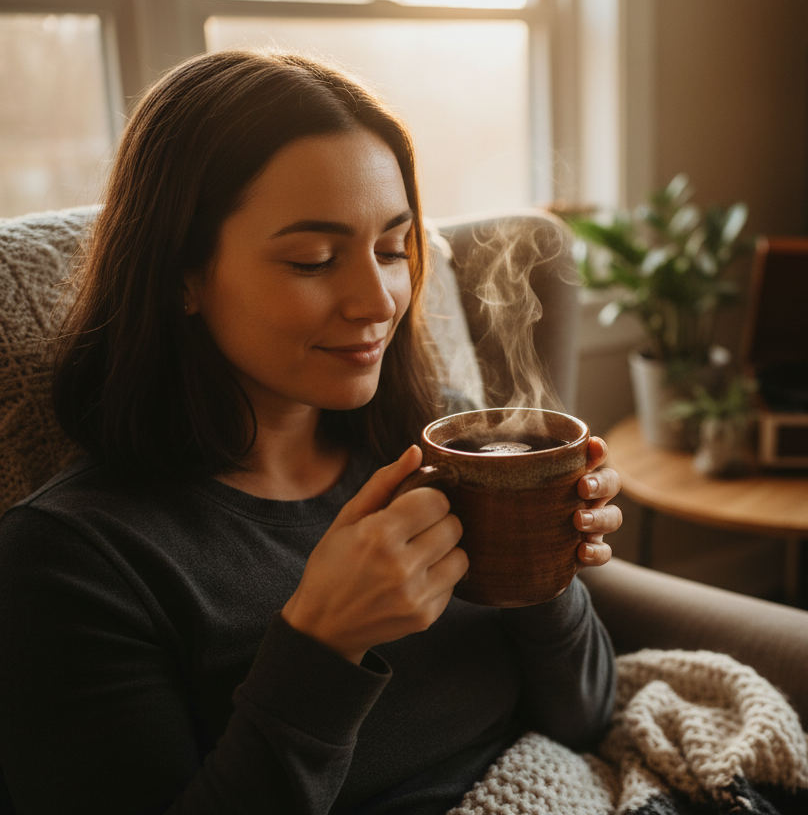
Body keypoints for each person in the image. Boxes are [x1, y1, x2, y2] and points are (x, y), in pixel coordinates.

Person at [0, 49, 622, 814]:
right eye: (314, 259)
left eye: (394, 248)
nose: (378, 299)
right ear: (180, 276)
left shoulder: (439, 449)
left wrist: (539, 562)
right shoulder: (77, 560)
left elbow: (586, 720)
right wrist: (322, 647)